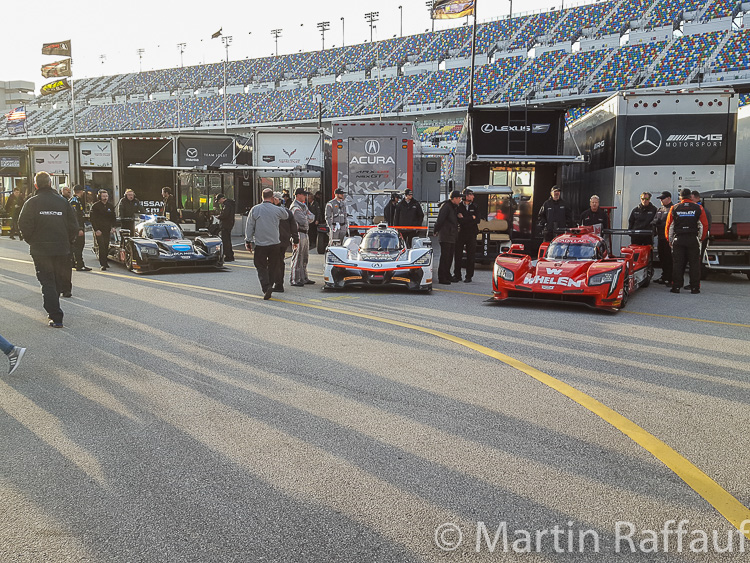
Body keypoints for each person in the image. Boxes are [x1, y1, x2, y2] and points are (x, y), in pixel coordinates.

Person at [17, 171, 79, 328]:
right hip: (61, 249)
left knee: (47, 282)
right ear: (51, 183)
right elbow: (74, 225)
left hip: (41, 250)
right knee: (56, 281)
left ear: (36, 185)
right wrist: (68, 242)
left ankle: (55, 316)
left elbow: (23, 225)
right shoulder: (63, 202)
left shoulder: (31, 203)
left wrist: (32, 241)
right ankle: (55, 310)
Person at [245, 188, 289, 300]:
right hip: (275, 243)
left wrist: (248, 240)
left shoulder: (255, 209)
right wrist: (279, 204)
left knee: (261, 266)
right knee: (273, 266)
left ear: (262, 196)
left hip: (260, 244)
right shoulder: (276, 209)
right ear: (273, 198)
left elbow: (249, 226)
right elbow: (286, 215)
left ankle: (266, 286)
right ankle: (270, 284)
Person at [666, 188, 708, 294]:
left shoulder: (674, 208)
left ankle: (676, 287)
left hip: (678, 239)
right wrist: (700, 238)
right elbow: (703, 225)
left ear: (680, 197)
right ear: (690, 196)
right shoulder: (698, 208)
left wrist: (669, 239)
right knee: (694, 264)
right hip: (692, 239)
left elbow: (669, 226)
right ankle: (695, 288)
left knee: (677, 264)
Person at [434, 190, 462, 285]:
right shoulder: (446, 207)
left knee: (450, 257)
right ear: (454, 198)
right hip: (446, 235)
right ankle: (442, 277)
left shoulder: (453, 207)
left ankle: (447, 275)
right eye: (459, 198)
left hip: (452, 236)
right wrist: (435, 230)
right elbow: (440, 219)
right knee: (445, 257)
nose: (460, 200)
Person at [273, 191, 299, 293]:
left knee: (275, 262)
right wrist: (295, 239)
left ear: (276, 199)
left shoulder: (272, 211)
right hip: (284, 240)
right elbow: (294, 226)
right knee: (280, 261)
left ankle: (277, 283)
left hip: (274, 240)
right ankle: (279, 283)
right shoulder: (287, 211)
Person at [289, 187, 316, 287]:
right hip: (298, 233)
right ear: (298, 195)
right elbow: (303, 221)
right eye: (304, 194)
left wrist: (306, 217)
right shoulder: (295, 207)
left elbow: (312, 217)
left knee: (304, 257)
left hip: (305, 233)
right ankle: (294, 279)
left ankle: (303, 278)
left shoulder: (303, 206)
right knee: (297, 257)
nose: (305, 196)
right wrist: (307, 217)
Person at [686, 189, 712, 289]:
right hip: (694, 238)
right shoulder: (696, 208)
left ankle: (696, 283)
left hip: (700, 239)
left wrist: (700, 238)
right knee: (693, 261)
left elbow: (706, 226)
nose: (690, 200)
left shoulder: (702, 210)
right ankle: (694, 282)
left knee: (696, 262)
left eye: (691, 198)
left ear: (697, 198)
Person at [453, 187, 479, 283]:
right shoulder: (459, 206)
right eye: (471, 195)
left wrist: (465, 219)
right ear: (466, 196)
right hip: (461, 233)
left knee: (471, 256)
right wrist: (470, 218)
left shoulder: (475, 206)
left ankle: (469, 276)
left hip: (471, 233)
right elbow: (459, 220)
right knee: (458, 255)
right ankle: (457, 275)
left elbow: (478, 219)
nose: (473, 197)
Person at [89, 189, 117, 271]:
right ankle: (103, 264)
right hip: (99, 230)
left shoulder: (110, 206)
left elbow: (113, 218)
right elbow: (92, 219)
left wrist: (113, 227)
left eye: (106, 196)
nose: (105, 198)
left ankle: (105, 261)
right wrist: (96, 229)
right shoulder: (95, 206)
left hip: (107, 229)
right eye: (103, 196)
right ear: (99, 197)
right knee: (101, 246)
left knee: (106, 246)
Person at [651, 191, 674, 286]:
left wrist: (661, 223)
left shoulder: (673, 209)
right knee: (662, 258)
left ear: (669, 198)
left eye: (663, 198)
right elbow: (655, 219)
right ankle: (664, 276)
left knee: (669, 259)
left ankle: (670, 278)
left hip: (668, 238)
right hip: (660, 237)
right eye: (660, 199)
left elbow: (672, 223)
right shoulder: (660, 209)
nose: (661, 200)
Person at [69, 185, 92, 271]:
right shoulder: (74, 201)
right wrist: (79, 228)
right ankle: (79, 264)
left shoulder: (76, 200)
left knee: (77, 246)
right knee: (79, 246)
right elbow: (75, 216)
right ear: (80, 191)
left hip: (78, 226)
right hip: (77, 228)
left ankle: (74, 263)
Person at [214, 193, 236, 262]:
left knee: (225, 241)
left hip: (225, 225)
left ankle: (228, 256)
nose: (218, 202)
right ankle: (230, 255)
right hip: (229, 224)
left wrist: (219, 217)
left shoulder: (227, 205)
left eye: (218, 200)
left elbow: (225, 215)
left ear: (221, 199)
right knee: (228, 240)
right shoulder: (230, 204)